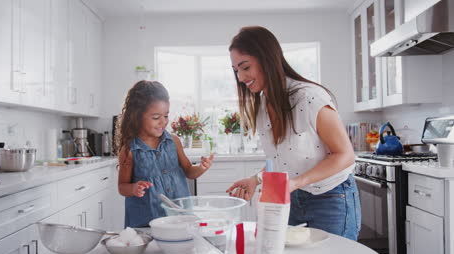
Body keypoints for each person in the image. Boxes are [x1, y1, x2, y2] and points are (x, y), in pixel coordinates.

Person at [226, 26, 361, 240]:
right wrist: (256, 179)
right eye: (236, 70)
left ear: (267, 59)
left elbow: (345, 155)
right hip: (294, 198)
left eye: (245, 67)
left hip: (331, 198)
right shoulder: (262, 105)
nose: (241, 77)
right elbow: (282, 158)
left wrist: (297, 182)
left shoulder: (309, 98)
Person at [116, 80, 214, 228]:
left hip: (179, 218)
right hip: (146, 222)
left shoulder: (173, 141)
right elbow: (122, 187)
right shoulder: (130, 150)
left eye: (166, 116)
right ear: (137, 116)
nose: (163, 122)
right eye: (156, 117)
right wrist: (133, 188)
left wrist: (201, 168)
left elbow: (189, 171)